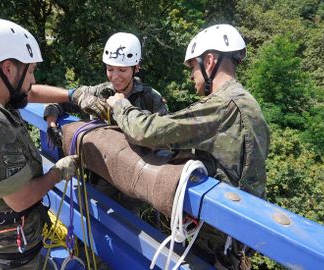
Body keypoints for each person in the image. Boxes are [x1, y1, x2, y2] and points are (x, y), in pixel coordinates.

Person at [107, 24, 270, 269]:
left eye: (193, 66)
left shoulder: (222, 106)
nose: (192, 75)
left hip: (215, 237)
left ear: (210, 61)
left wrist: (120, 105)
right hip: (237, 236)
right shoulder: (250, 104)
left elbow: (146, 131)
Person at [0, 18, 79, 269]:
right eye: (30, 71)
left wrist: (71, 94)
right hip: (11, 234)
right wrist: (59, 172)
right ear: (8, 68)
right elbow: (21, 198)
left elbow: (27, 91)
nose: (32, 79)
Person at [39, 32, 168, 148]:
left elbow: (166, 136)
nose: (115, 77)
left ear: (136, 68)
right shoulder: (100, 92)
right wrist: (51, 126)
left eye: (122, 70)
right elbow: (59, 101)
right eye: (110, 69)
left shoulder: (151, 98)